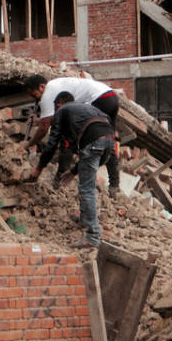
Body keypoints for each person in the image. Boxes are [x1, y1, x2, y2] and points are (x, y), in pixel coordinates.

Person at [29, 91, 116, 248]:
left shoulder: (62, 111)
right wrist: (74, 171)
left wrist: (39, 168)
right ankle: (85, 219)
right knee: (87, 181)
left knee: (86, 188)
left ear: (58, 104)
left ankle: (92, 236)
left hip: (94, 141)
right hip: (109, 139)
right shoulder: (85, 109)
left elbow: (52, 143)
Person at [24, 74, 120, 195]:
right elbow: (52, 118)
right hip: (111, 97)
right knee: (108, 138)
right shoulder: (55, 85)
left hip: (98, 99)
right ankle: (114, 185)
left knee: (67, 139)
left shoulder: (47, 94)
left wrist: (29, 144)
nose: (35, 99)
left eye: (34, 94)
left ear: (42, 87)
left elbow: (44, 129)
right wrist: (40, 120)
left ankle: (60, 180)